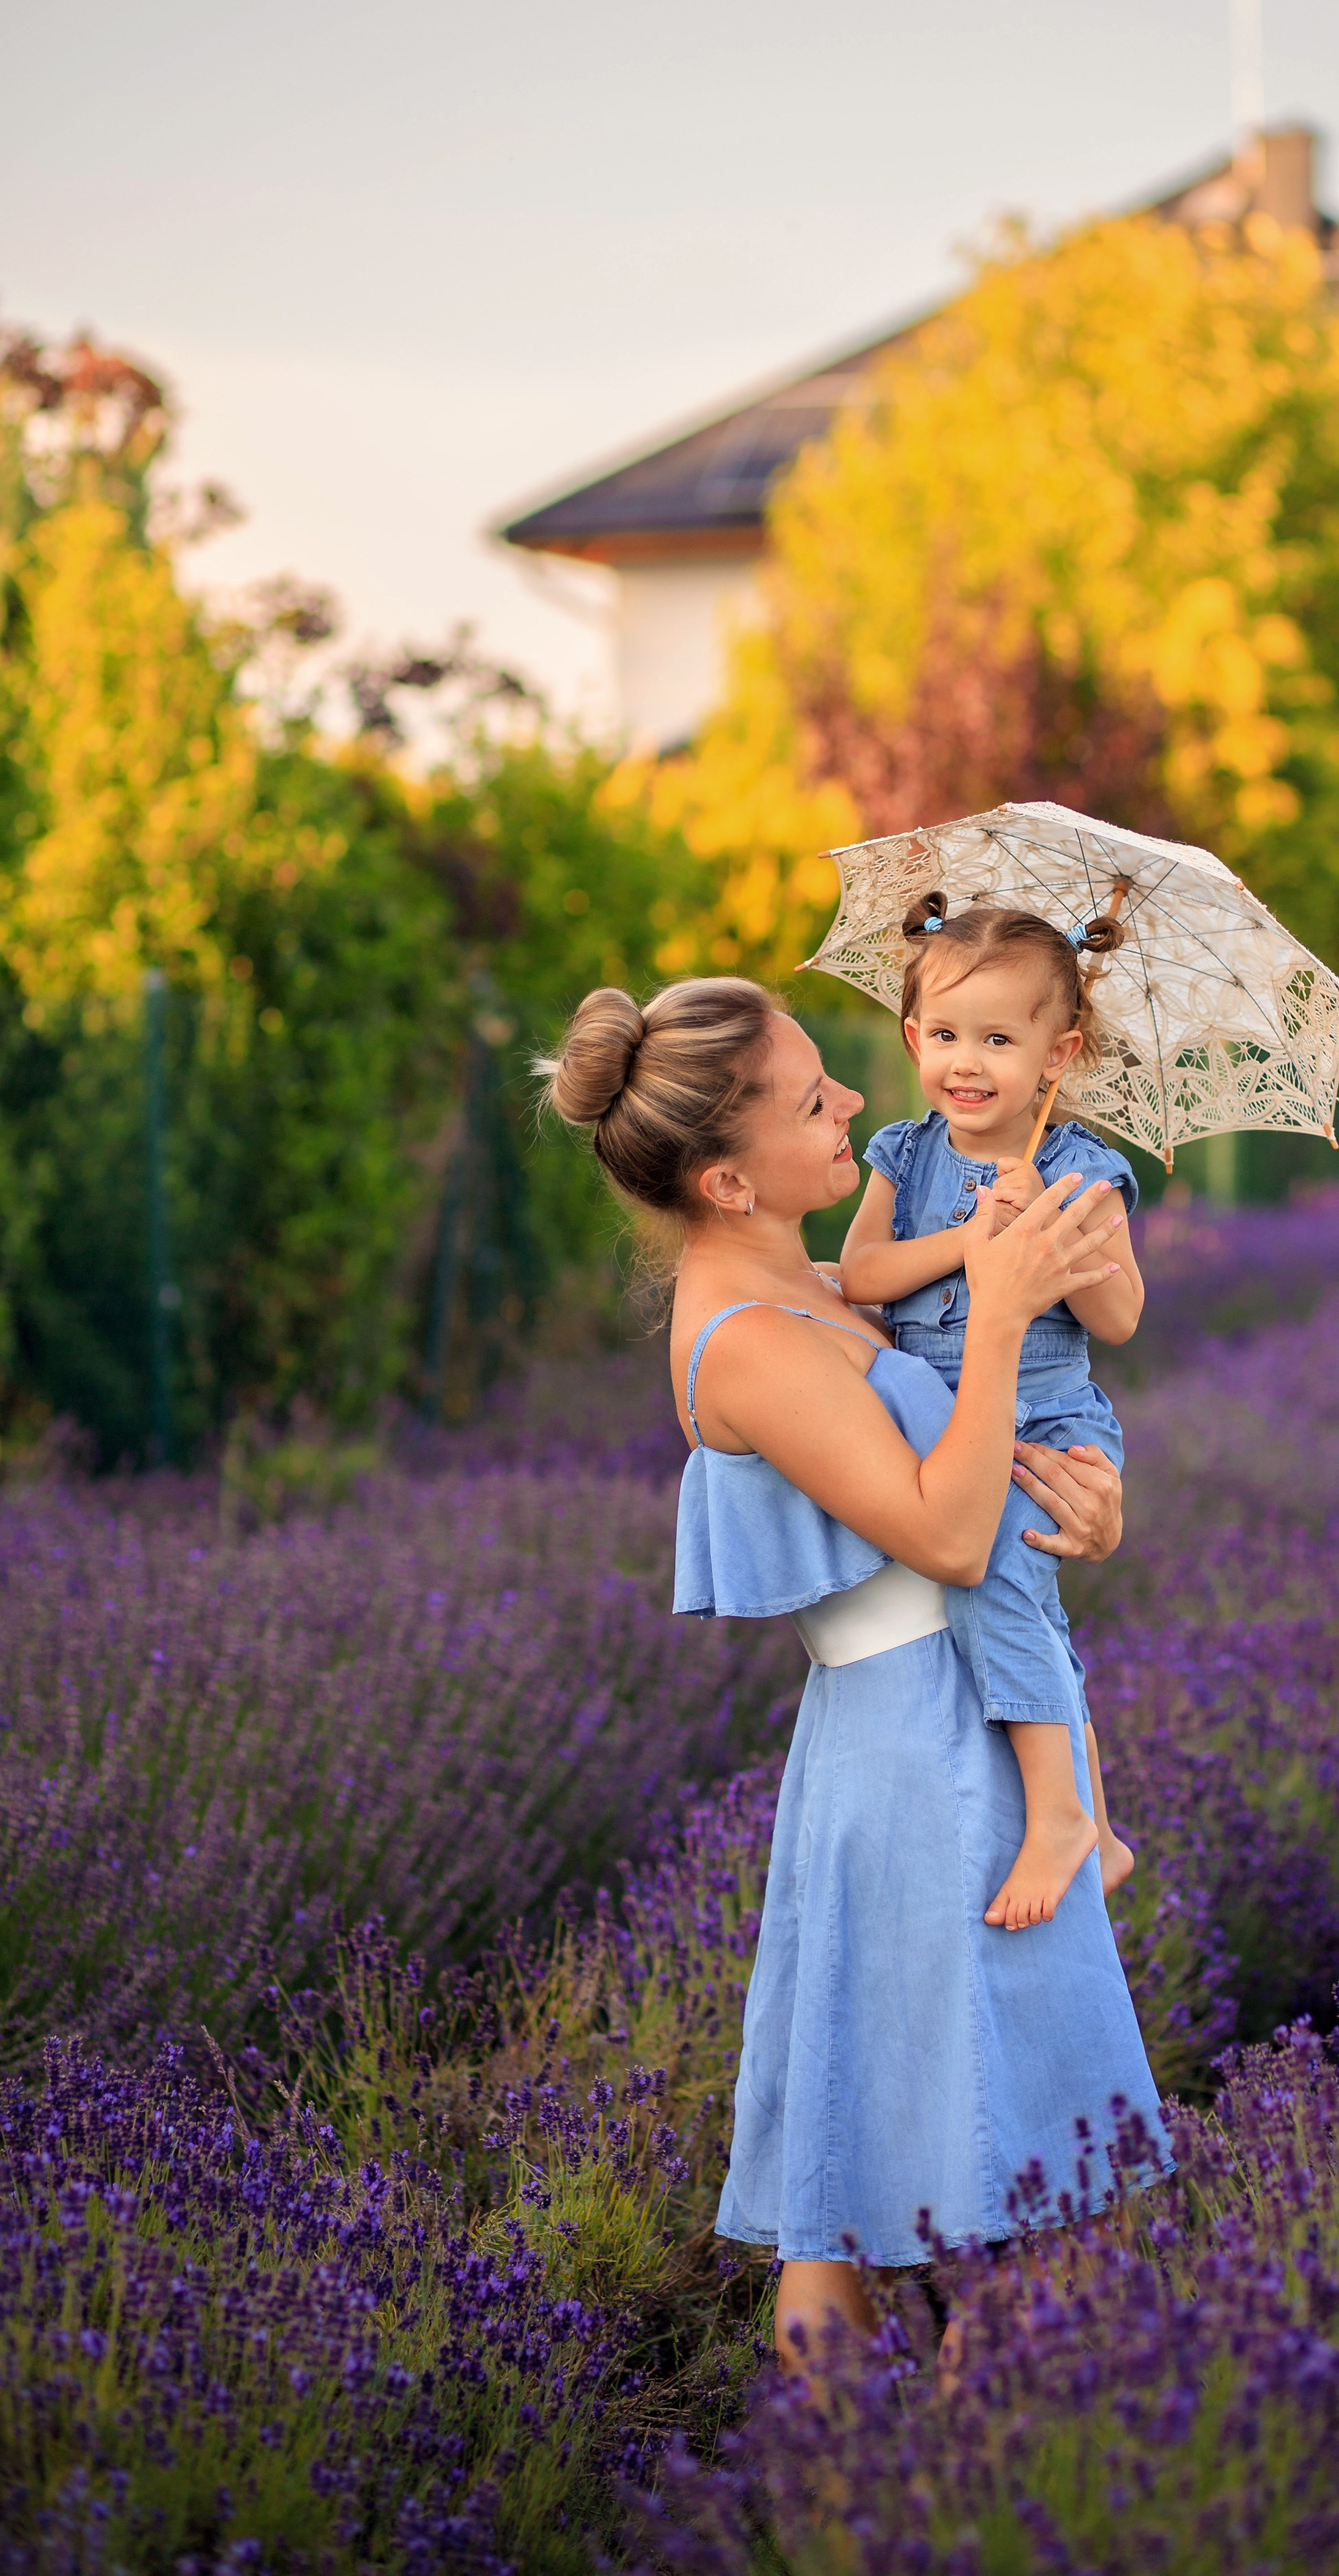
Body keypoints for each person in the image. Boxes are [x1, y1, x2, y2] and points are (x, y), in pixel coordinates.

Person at [541, 974, 1160, 2368]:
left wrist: (1087, 1500)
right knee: (1049, 2201)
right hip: (928, 1768)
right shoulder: (753, 1347)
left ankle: (836, 2518)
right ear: (722, 1175)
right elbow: (942, 1535)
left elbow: (976, 1486)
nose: (856, 1103)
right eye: (811, 1096)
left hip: (922, 1739)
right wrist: (994, 1313)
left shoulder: (810, 1292)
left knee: (855, 2204)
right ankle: (940, 2512)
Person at [839, 896, 1144, 1933]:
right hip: (939, 1411)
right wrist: (972, 1240)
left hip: (1046, 1417)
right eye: (948, 1036)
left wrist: (1064, 1235)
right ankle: (1093, 1821)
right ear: (915, 1036)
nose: (968, 1064)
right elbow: (862, 1275)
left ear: (1058, 1056)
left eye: (1000, 1041)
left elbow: (1124, 1315)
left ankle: (1061, 1818)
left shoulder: (1080, 1168)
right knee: (1024, 1603)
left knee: (1001, 1579)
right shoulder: (902, 1152)